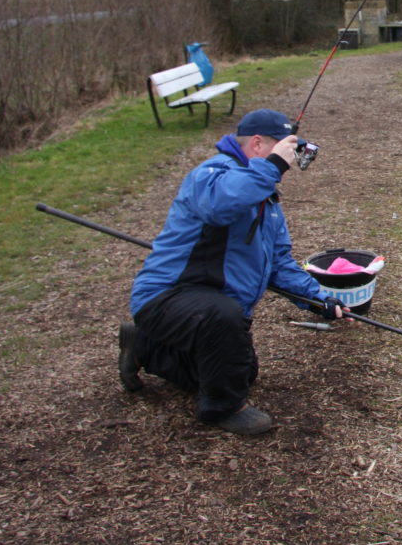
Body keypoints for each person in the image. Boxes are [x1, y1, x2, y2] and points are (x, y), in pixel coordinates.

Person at [118, 108, 348, 435]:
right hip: (167, 297)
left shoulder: (266, 199)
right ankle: (221, 408)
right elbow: (220, 204)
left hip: (213, 306)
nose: (292, 161)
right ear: (257, 145)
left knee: (239, 372)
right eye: (286, 150)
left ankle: (144, 346)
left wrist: (319, 299)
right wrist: (272, 168)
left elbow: (279, 262)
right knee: (222, 320)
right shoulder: (213, 173)